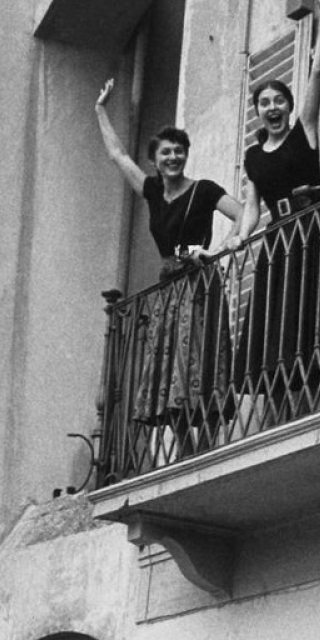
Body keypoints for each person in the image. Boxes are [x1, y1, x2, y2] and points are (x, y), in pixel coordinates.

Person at [95, 80, 243, 454]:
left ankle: (206, 446)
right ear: (155, 160)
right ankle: (187, 448)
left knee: (200, 358)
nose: (173, 157)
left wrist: (222, 248)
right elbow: (116, 155)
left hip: (198, 282)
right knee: (167, 364)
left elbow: (244, 215)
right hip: (168, 286)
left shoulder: (204, 189)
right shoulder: (151, 191)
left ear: (186, 155)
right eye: (166, 153)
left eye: (179, 151)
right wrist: (100, 110)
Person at [234, 0, 320, 422]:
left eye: (278, 100)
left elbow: (319, 73)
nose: (273, 107)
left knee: (311, 315)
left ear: (287, 106)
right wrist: (237, 240)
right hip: (279, 239)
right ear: (258, 112)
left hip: (312, 228)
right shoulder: (253, 157)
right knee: (278, 327)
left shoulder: (303, 129)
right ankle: (283, 412)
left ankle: (316, 405)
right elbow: (251, 209)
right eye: (264, 102)